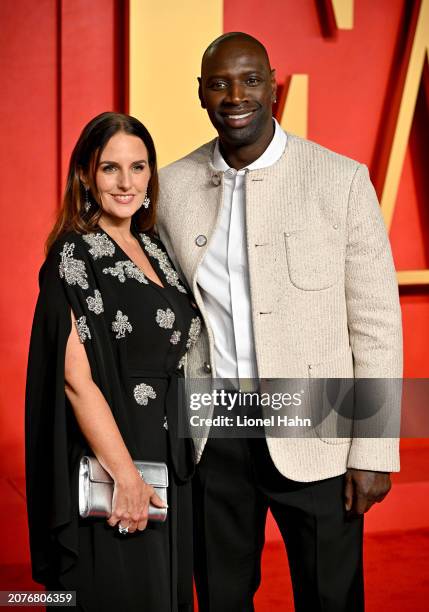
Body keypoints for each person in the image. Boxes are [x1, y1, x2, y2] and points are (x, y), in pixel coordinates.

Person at [156, 32, 403, 611]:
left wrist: (374, 450)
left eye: (249, 79)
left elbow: (376, 323)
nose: (235, 94)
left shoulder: (340, 180)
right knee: (220, 596)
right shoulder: (171, 189)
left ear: (274, 88)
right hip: (214, 432)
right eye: (219, 83)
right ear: (200, 94)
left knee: (331, 598)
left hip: (319, 426)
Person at [25, 111, 201, 611]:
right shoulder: (72, 255)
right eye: (110, 168)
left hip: (171, 452)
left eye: (138, 167)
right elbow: (76, 381)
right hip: (118, 450)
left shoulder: (154, 247)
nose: (126, 182)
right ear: (85, 173)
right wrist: (125, 476)